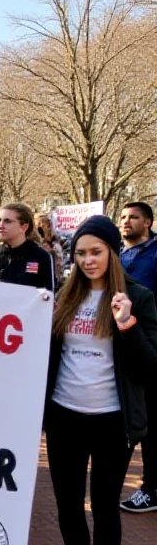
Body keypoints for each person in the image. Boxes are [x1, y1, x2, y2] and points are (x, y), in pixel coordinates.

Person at [45, 215, 157, 545]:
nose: (87, 260)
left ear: (112, 252)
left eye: (96, 252)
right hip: (65, 416)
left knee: (105, 505)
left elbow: (150, 366)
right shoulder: (65, 294)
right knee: (67, 502)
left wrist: (127, 324)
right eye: (80, 253)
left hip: (112, 420)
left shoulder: (138, 296)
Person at [118, 201, 157, 513]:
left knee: (151, 424)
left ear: (148, 222)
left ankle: (150, 488)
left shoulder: (155, 254)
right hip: (121, 346)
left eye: (133, 217)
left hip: (149, 347)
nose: (126, 222)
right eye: (122, 217)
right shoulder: (116, 253)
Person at [0, 202, 54, 290]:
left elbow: (49, 294)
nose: (0, 226)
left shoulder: (41, 256)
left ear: (24, 227)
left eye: (7, 221)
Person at [37, 213, 66, 289]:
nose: (50, 228)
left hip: (55, 275)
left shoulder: (54, 242)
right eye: (49, 226)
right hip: (51, 277)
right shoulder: (42, 243)